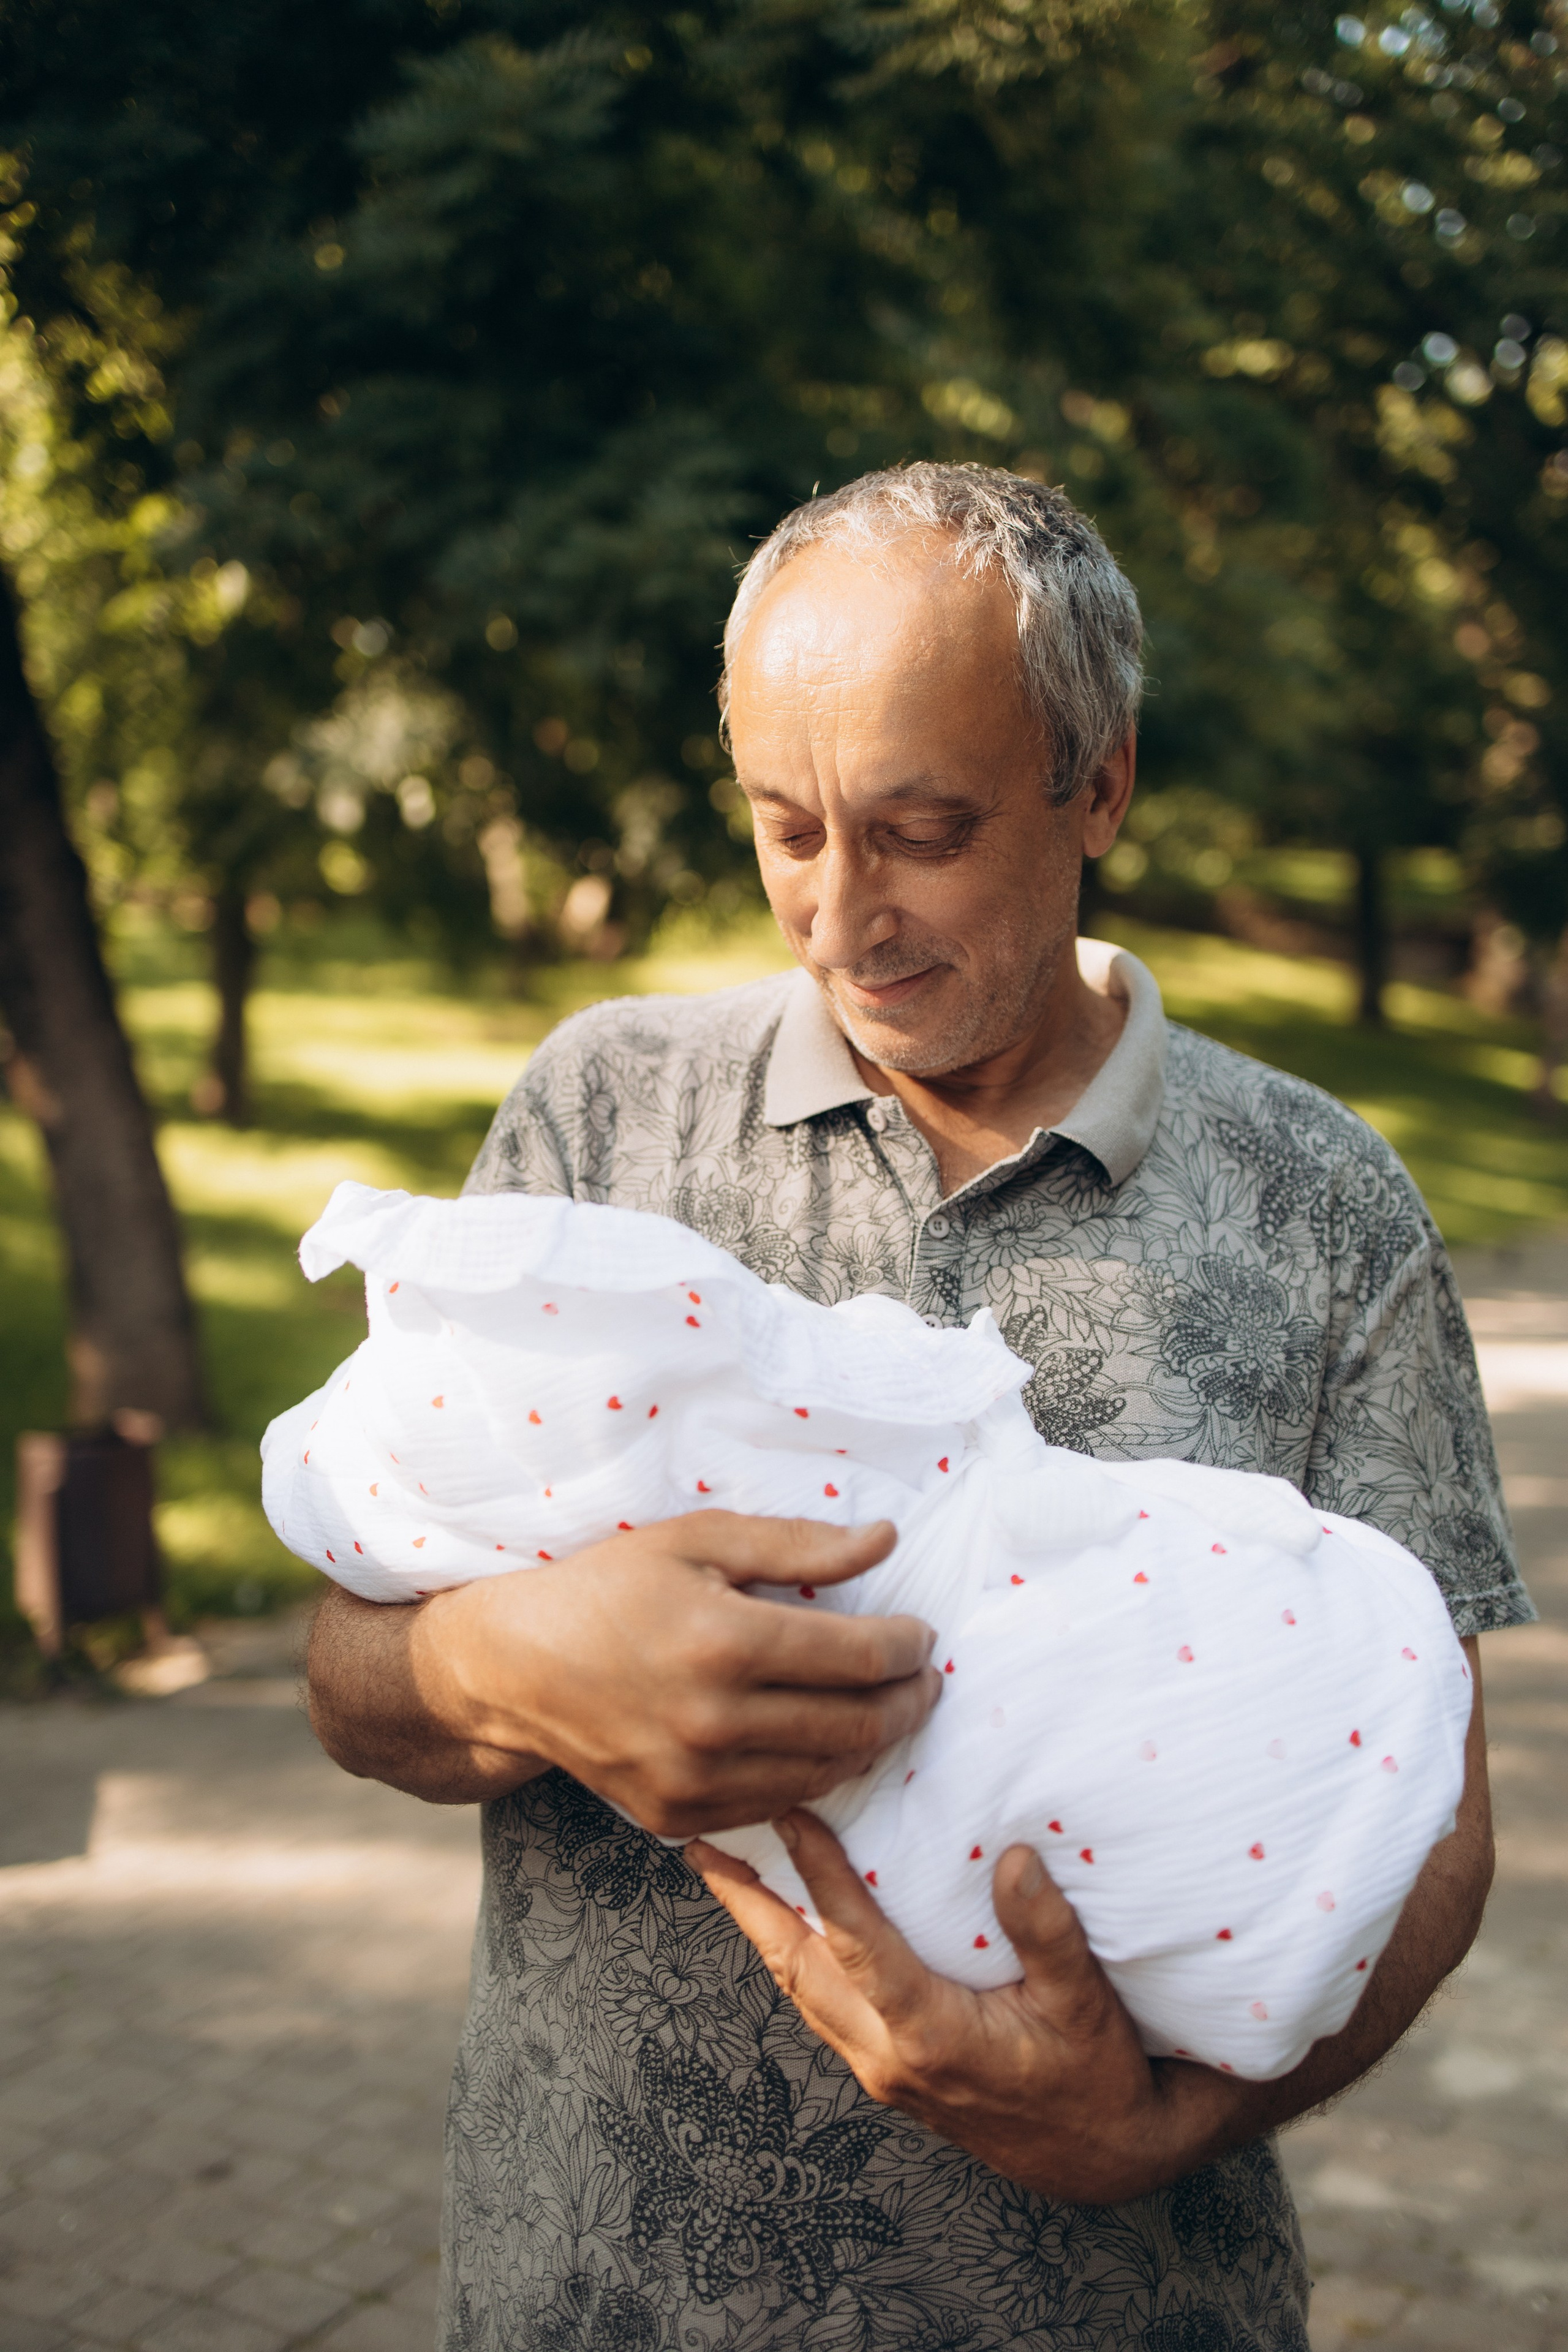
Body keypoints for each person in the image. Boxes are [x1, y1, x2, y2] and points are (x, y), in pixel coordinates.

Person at [306, 464, 1531, 2352]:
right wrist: (504, 1667)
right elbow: (347, 1667)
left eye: (922, 829)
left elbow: (1433, 1813)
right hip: (599, 2303)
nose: (840, 916)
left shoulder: (1324, 1205)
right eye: (785, 830)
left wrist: (1156, 2128)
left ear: (1098, 782)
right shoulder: (599, 1123)